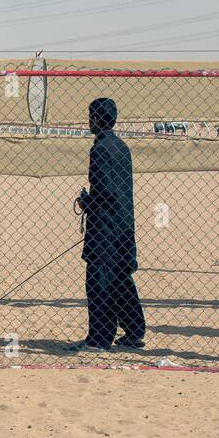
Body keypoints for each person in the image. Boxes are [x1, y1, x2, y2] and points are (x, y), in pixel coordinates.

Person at [74, 97, 145, 350]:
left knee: (99, 279)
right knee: (120, 277)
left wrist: (87, 203)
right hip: (124, 223)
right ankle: (135, 330)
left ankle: (99, 339)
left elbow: (104, 191)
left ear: (95, 118)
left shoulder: (100, 149)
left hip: (104, 227)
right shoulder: (121, 146)